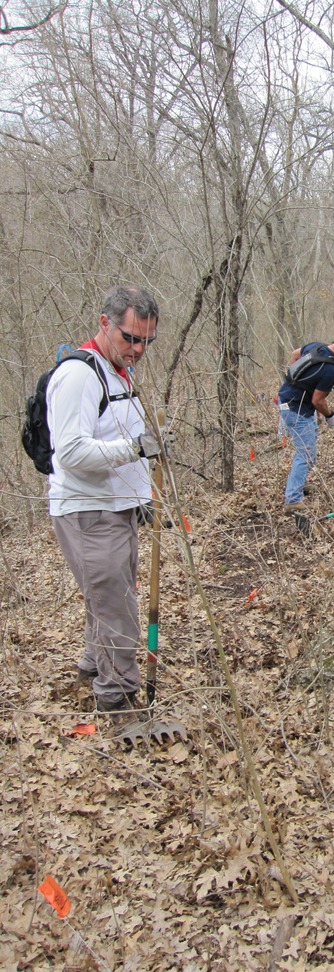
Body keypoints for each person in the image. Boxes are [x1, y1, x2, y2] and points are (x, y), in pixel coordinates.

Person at [46, 285, 162, 723]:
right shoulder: (79, 376)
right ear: (104, 323)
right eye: (130, 337)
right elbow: (71, 453)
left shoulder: (119, 370)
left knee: (109, 598)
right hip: (89, 510)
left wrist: (142, 490)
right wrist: (135, 449)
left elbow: (118, 435)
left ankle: (92, 669)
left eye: (146, 341)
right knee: (118, 612)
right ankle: (117, 701)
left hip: (119, 508)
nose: (137, 349)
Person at [277, 330, 334, 511]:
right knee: (306, 454)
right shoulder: (331, 370)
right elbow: (318, 400)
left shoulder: (316, 346)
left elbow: (295, 355)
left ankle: (297, 485)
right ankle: (292, 499)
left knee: (307, 450)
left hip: (288, 400)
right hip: (296, 409)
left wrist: (293, 383)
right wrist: (330, 416)